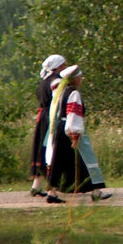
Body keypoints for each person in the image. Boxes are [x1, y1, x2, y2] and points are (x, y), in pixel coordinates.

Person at [44, 64, 110, 203]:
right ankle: (96, 191)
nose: (81, 79)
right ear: (75, 79)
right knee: (87, 158)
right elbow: (73, 114)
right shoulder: (74, 93)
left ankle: (52, 192)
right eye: (80, 77)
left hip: (60, 127)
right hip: (70, 128)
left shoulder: (61, 92)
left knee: (58, 160)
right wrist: (75, 133)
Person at [28, 54, 66, 196]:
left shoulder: (43, 82)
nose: (65, 68)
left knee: (41, 148)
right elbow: (58, 102)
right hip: (51, 116)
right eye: (63, 65)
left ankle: (36, 185)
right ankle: (51, 186)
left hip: (42, 117)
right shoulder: (55, 82)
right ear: (58, 67)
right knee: (49, 148)